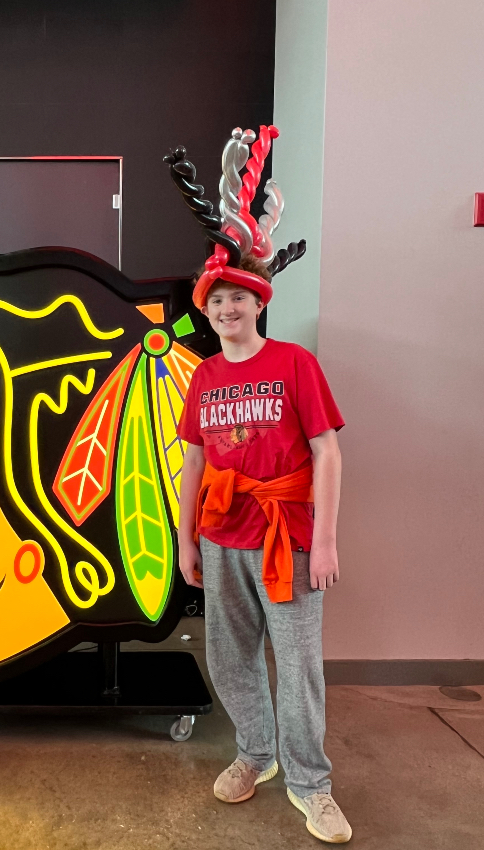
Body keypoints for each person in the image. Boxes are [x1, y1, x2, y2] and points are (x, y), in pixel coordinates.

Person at [176, 251, 352, 844]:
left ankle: (311, 783)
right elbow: (194, 461)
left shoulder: (295, 363)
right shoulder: (204, 376)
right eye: (216, 300)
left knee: (298, 664)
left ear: (258, 303)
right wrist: (185, 539)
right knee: (230, 655)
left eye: (238, 297)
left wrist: (324, 542)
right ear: (206, 311)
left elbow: (327, 452)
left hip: (288, 537)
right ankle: (256, 753)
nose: (227, 308)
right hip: (221, 534)